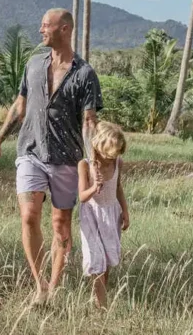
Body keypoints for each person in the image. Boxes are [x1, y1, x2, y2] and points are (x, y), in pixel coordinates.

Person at [0, 9, 103, 305]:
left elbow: (89, 122)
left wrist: (94, 162)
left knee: (61, 223)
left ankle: (54, 285)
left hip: (67, 158)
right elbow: (19, 106)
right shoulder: (34, 64)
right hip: (31, 152)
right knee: (29, 215)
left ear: (64, 29)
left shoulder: (85, 73)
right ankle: (39, 285)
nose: (40, 30)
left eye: (45, 26)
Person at [78, 122, 130, 308]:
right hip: (91, 216)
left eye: (115, 156)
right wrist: (94, 187)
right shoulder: (85, 165)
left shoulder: (118, 163)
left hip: (111, 214)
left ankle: (97, 296)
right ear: (98, 147)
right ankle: (102, 305)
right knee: (96, 260)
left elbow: (117, 187)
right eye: (109, 156)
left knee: (106, 261)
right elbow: (83, 197)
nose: (111, 160)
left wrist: (125, 210)